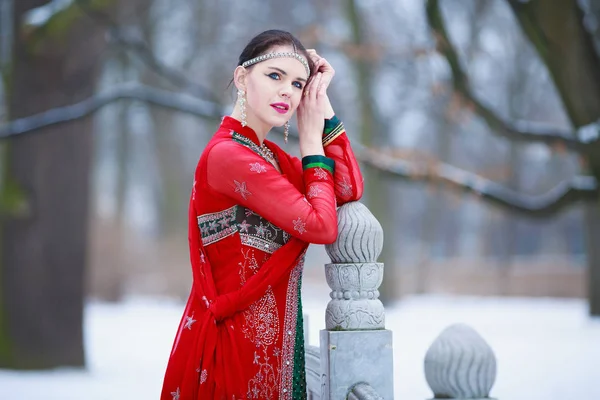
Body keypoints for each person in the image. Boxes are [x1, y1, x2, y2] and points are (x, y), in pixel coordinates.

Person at [160, 29, 363, 400]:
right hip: (232, 354)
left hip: (278, 355)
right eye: (275, 76)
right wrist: (310, 142)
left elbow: (348, 188)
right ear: (241, 78)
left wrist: (323, 104)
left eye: (298, 83)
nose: (287, 90)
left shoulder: (268, 160)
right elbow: (321, 225)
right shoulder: (230, 158)